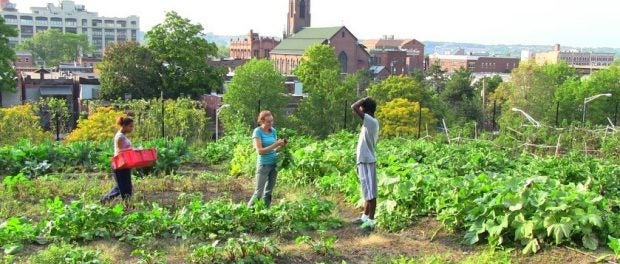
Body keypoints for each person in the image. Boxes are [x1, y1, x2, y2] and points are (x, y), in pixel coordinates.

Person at [351, 97, 379, 231]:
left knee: (371, 192)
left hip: (368, 160)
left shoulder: (371, 121)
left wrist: (363, 99)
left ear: (364, 109)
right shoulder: (370, 122)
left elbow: (353, 107)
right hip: (364, 160)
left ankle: (371, 221)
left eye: (362, 106)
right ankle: (365, 217)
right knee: (367, 191)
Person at [248, 111, 287, 208]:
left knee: (269, 191)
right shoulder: (257, 131)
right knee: (259, 192)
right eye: (268, 122)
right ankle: (248, 211)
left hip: (274, 164)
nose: (271, 123)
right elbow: (260, 151)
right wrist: (276, 144)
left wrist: (282, 145)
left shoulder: (273, 131)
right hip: (263, 165)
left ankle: (265, 212)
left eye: (272, 121)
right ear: (262, 121)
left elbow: (275, 149)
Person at [100, 116, 134, 204]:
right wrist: (133, 150)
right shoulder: (119, 137)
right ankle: (106, 200)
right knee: (122, 186)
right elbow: (120, 151)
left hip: (124, 163)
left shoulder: (123, 136)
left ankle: (127, 203)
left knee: (125, 186)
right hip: (119, 164)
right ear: (124, 126)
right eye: (130, 126)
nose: (132, 129)